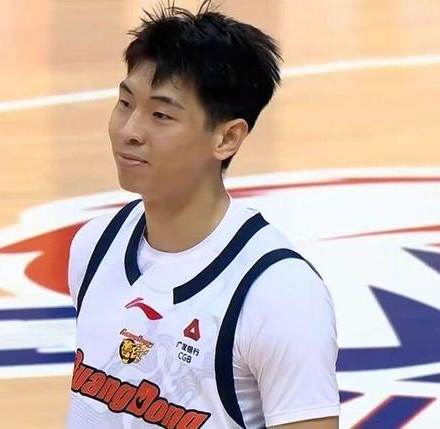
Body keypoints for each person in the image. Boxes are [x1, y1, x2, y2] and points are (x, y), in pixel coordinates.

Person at [66, 1, 339, 427]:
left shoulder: (280, 294)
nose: (130, 131)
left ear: (227, 138)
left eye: (161, 115)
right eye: (124, 103)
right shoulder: (94, 246)